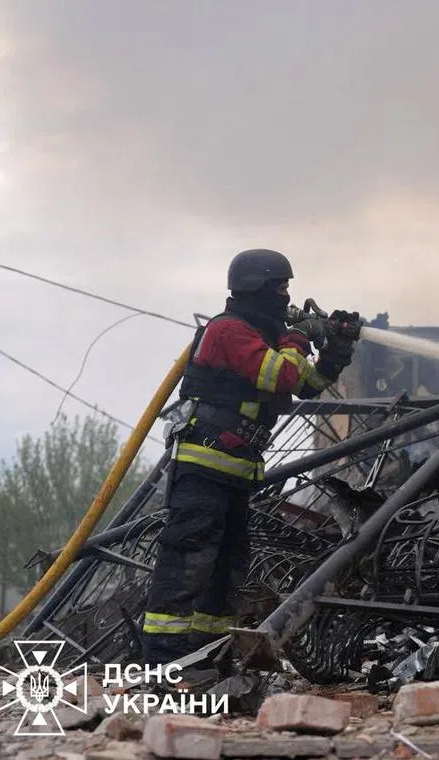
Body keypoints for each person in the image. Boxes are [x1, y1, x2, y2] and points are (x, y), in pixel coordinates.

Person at [141, 248, 360, 665]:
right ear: (255, 287)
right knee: (188, 562)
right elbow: (283, 375)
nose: (286, 296)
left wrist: (336, 348)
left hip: (236, 469)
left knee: (226, 567)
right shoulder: (229, 331)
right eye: (280, 287)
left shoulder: (266, 337)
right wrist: (300, 336)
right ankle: (163, 662)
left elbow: (308, 384)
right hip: (205, 466)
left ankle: (207, 657)